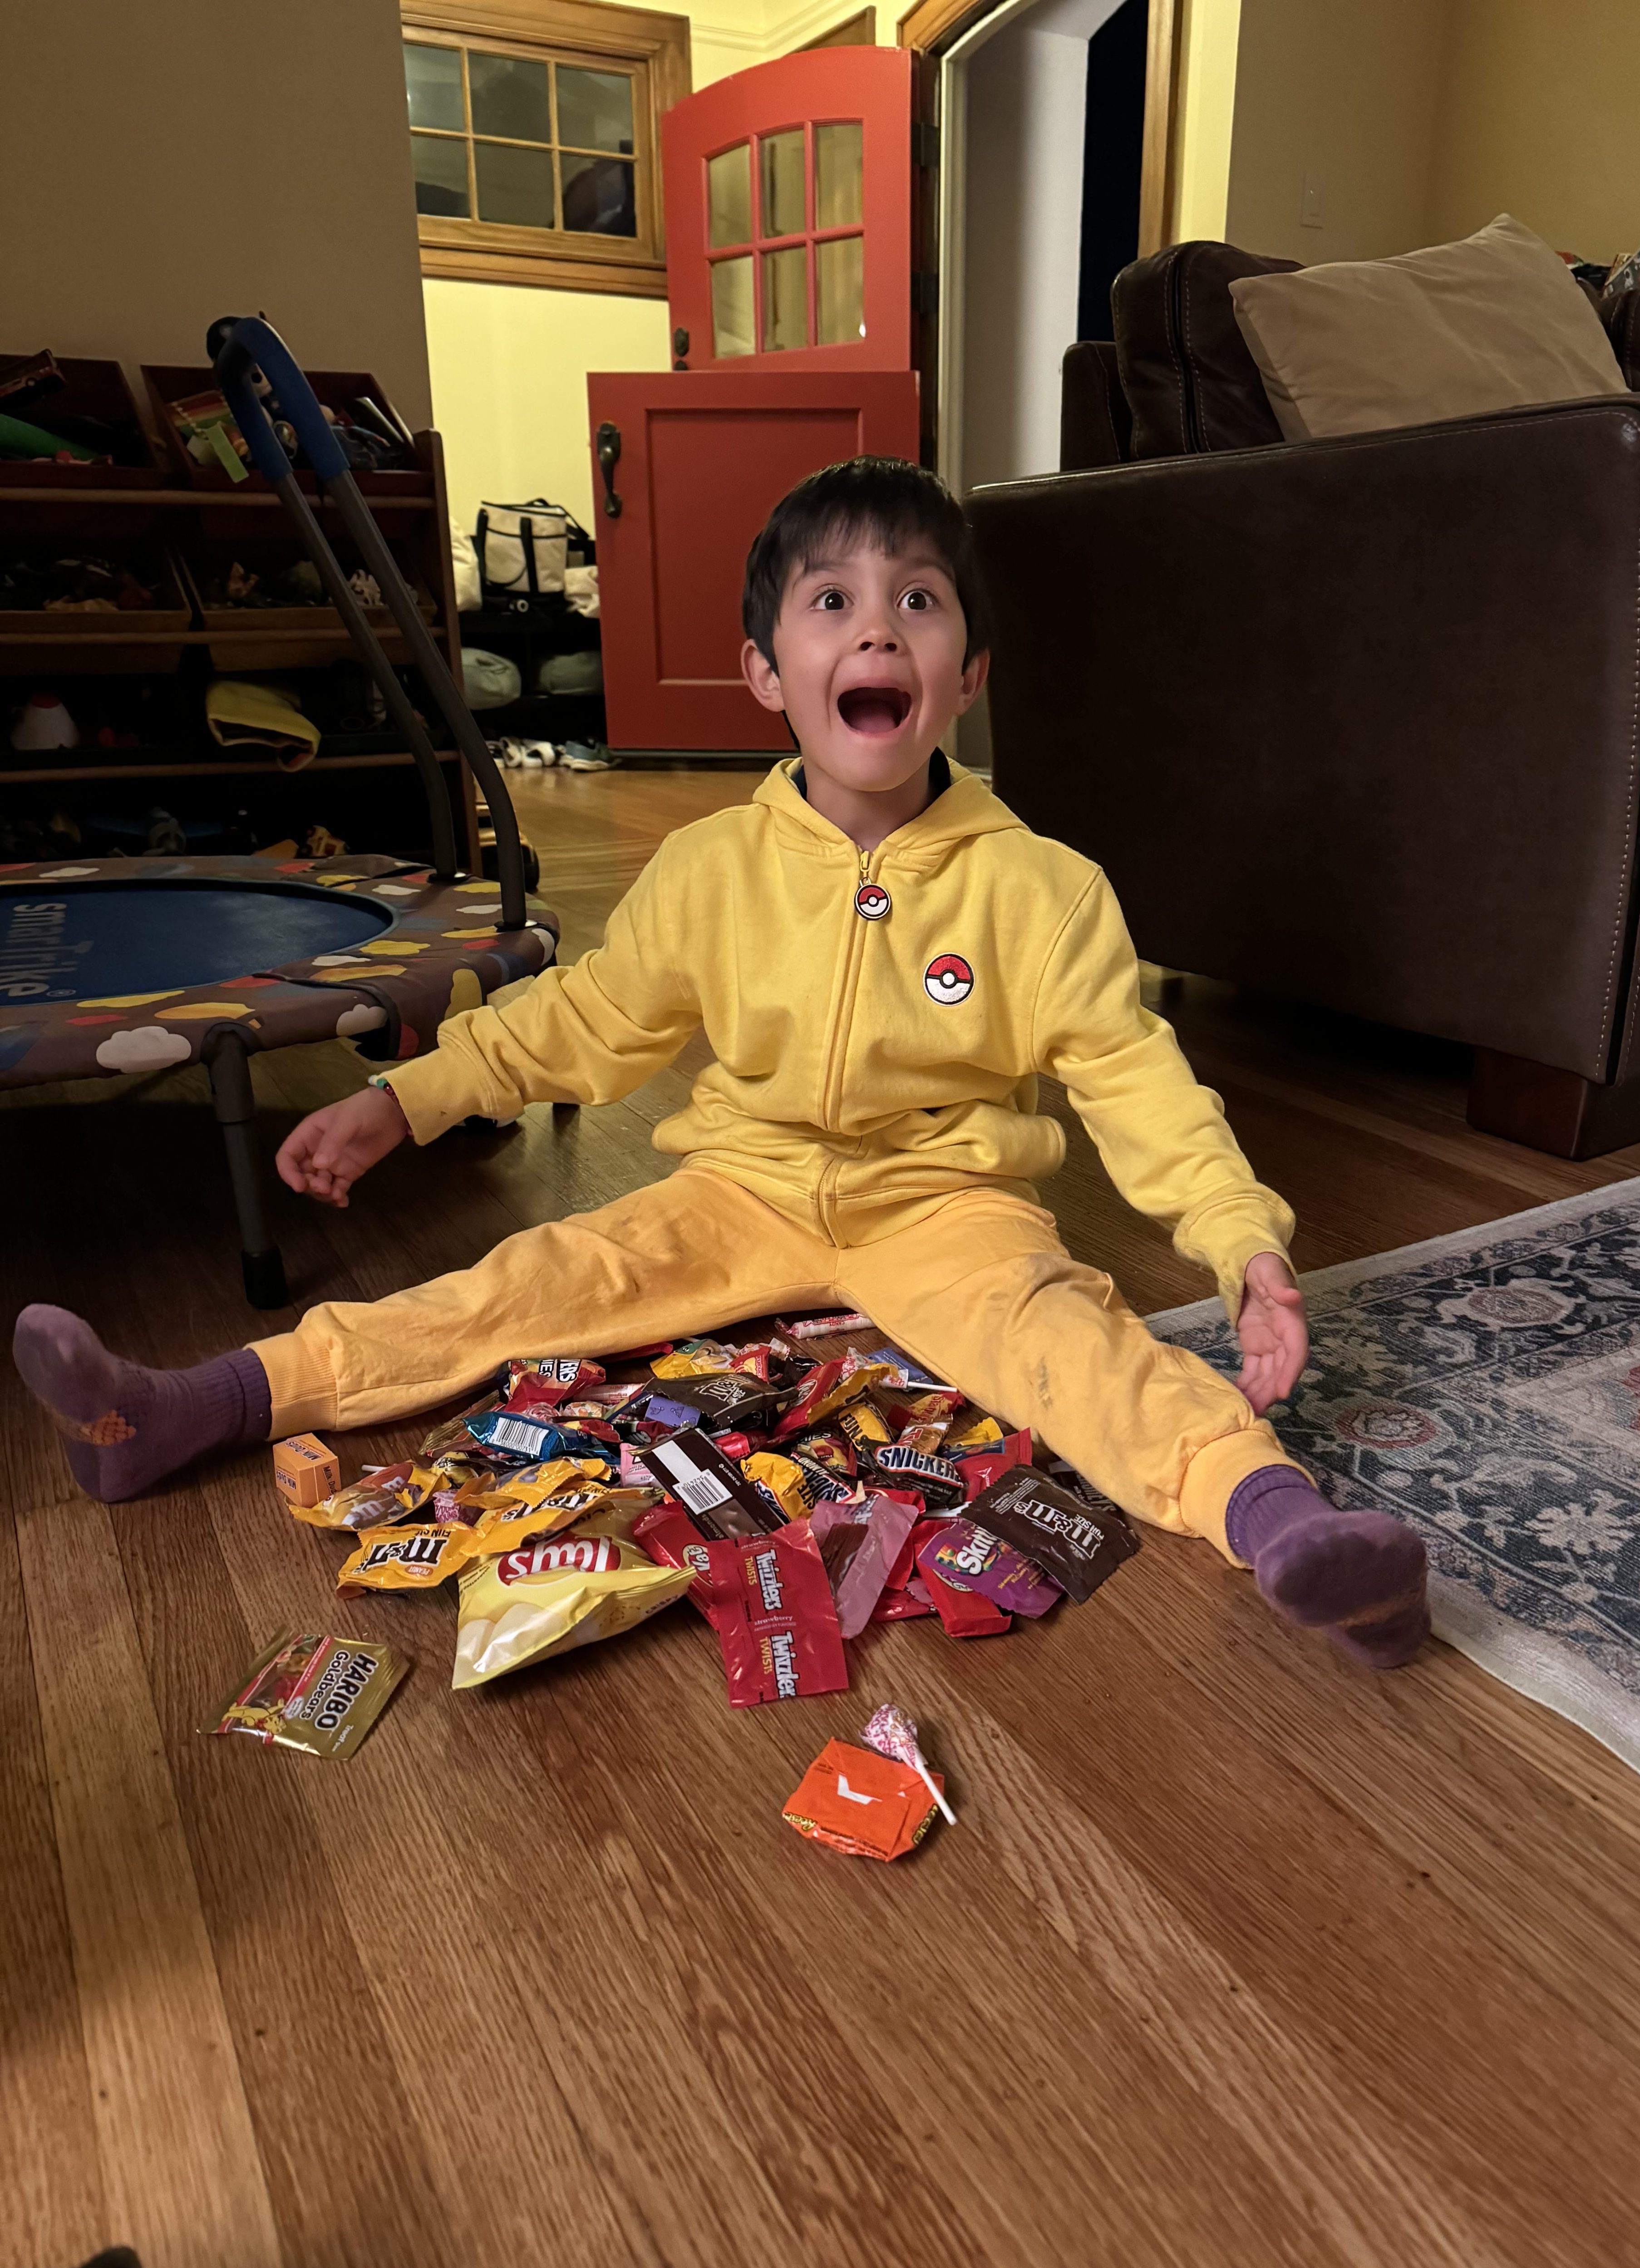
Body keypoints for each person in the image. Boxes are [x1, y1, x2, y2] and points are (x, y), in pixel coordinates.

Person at [13, 458, 1428, 1666]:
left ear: (966, 676)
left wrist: (1240, 1239)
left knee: (1079, 1349)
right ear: (768, 674)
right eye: (833, 603)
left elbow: (1136, 1076)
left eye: (917, 603)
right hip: (739, 1192)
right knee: (522, 1285)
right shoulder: (711, 868)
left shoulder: (1041, 889)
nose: (878, 627)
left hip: (948, 1207)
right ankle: (180, 1406)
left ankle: (1293, 1530)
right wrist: (409, 1096)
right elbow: (588, 1016)